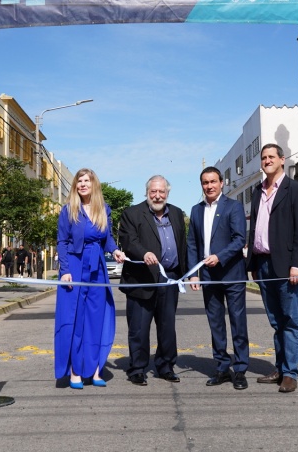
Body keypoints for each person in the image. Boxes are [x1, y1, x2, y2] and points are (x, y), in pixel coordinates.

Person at [247, 144, 298, 394]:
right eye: (263, 158)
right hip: (262, 265)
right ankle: (279, 366)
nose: (266, 161)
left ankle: (290, 373)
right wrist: (253, 263)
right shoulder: (257, 192)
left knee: (290, 320)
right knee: (276, 322)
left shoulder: (296, 190)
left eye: (271, 157)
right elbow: (255, 230)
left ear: (282, 160)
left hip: (286, 266)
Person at [55, 168, 125, 389]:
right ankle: (75, 371)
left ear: (94, 185)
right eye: (79, 181)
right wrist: (65, 270)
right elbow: (62, 243)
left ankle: (95, 370)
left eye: (87, 181)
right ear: (75, 186)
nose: (83, 184)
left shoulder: (104, 209)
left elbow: (107, 239)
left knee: (96, 319)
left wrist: (115, 251)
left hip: (98, 269)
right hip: (74, 268)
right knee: (75, 320)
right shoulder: (68, 211)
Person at [119, 175, 187, 386]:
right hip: (142, 279)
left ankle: (166, 366)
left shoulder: (176, 213)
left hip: (170, 279)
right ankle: (137, 369)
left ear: (167, 193)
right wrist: (144, 253)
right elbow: (129, 240)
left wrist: (187, 274)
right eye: (153, 192)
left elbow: (183, 244)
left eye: (161, 192)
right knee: (139, 328)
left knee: (167, 327)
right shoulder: (132, 213)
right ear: (147, 192)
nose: (157, 196)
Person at [186, 166, 249, 390]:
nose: (209, 186)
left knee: (237, 323)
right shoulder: (195, 210)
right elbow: (192, 244)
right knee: (216, 324)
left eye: (213, 181)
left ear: (222, 183)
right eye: (205, 182)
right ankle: (222, 367)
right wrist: (193, 273)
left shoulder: (234, 206)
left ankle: (240, 369)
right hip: (208, 277)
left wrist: (219, 257)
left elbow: (240, 238)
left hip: (232, 274)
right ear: (201, 185)